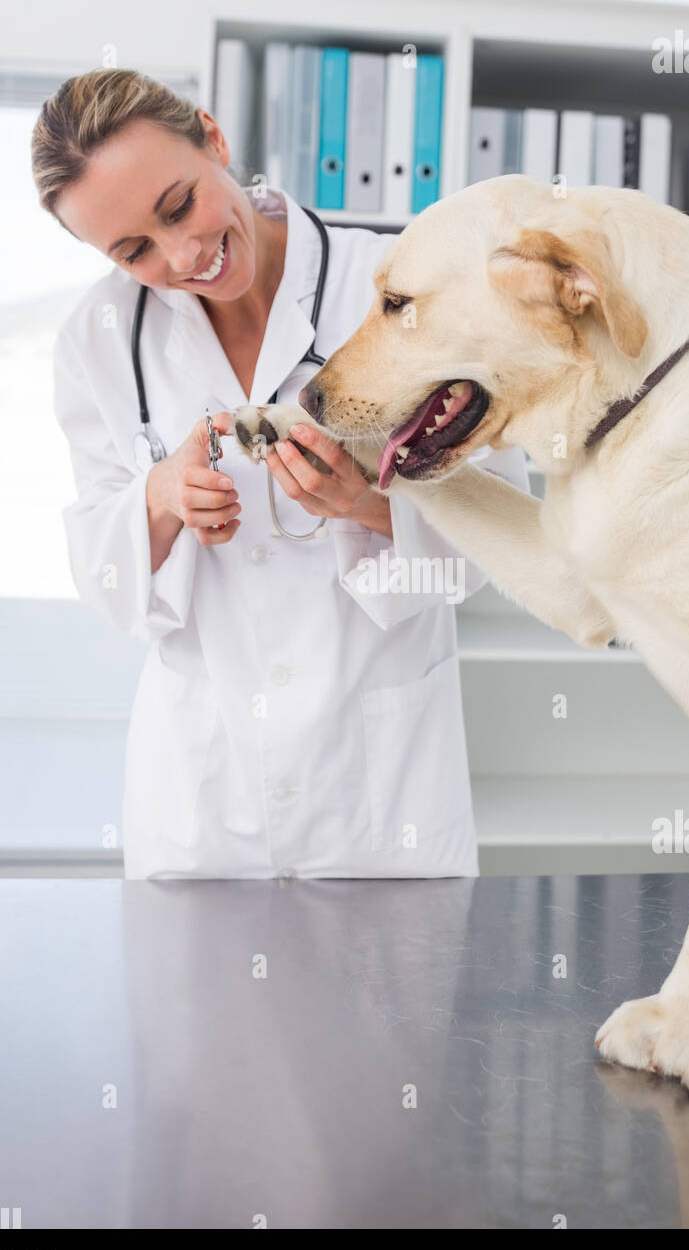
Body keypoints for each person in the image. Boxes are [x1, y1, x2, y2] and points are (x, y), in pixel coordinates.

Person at [32, 68, 530, 879]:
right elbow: (101, 569)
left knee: (390, 1002)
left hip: (377, 783)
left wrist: (370, 506)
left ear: (214, 139)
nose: (183, 253)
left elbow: (510, 523)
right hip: (202, 792)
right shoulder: (96, 339)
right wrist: (159, 499)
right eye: (133, 251)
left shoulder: (400, 281)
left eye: (179, 204)